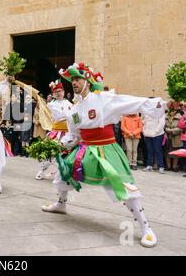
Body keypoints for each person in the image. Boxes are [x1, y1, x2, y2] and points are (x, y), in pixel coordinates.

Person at [44, 62, 167, 248]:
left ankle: (145, 227)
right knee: (64, 170)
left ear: (88, 81)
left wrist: (158, 103)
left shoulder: (103, 99)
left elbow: (131, 102)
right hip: (85, 150)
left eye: (77, 79)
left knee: (124, 187)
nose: (74, 83)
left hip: (106, 150)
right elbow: (74, 135)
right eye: (72, 80)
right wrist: (59, 144)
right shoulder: (74, 109)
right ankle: (61, 203)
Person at [35, 80, 72, 180]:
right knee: (50, 153)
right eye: (56, 92)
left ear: (64, 92)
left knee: (68, 153)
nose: (59, 93)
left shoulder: (69, 103)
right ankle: (41, 170)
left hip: (68, 132)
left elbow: (73, 116)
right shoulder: (50, 105)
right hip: (56, 131)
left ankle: (64, 172)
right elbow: (49, 117)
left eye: (60, 91)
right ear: (53, 94)